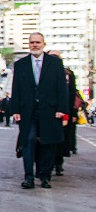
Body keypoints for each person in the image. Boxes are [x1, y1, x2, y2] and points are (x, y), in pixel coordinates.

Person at [11, 33, 68, 190]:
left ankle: (45, 176)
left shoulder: (55, 63)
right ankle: (28, 177)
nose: (35, 45)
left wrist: (62, 109)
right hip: (28, 111)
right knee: (28, 141)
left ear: (44, 44)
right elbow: (16, 88)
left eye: (38, 42)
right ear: (28, 44)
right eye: (32, 42)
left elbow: (62, 88)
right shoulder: (20, 64)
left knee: (48, 143)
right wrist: (15, 109)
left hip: (50, 111)